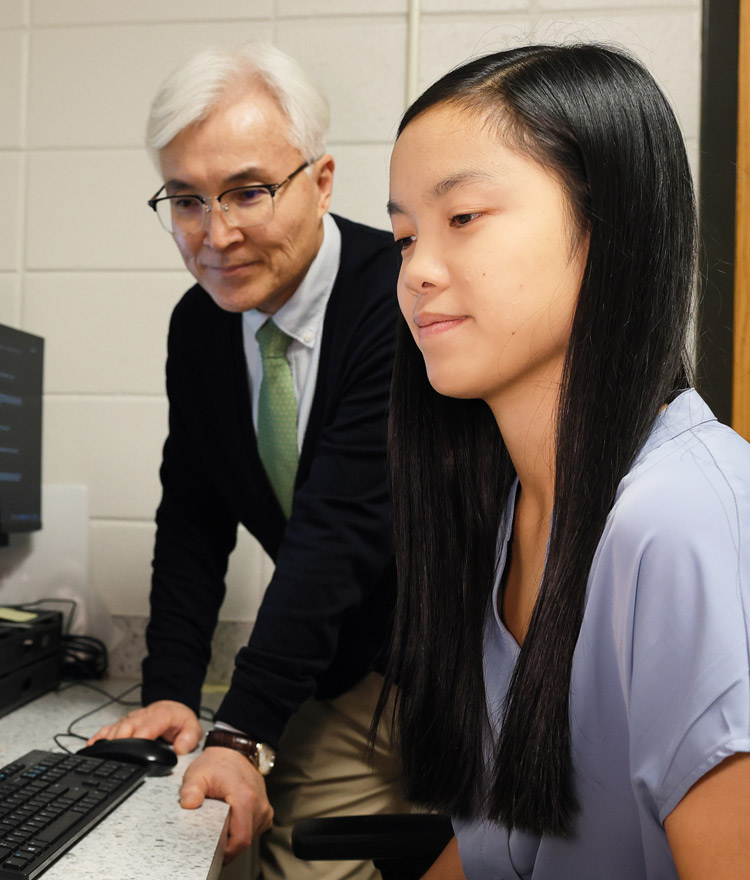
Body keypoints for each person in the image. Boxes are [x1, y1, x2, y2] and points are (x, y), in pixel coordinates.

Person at [380, 44, 750, 879]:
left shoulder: (683, 523)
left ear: (607, 223)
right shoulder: (507, 510)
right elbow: (494, 850)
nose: (417, 273)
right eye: (404, 238)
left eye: (462, 218)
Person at [89, 42, 408, 878]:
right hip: (344, 674)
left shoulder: (398, 294)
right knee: (252, 854)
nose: (215, 234)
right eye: (186, 199)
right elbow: (193, 517)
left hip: (466, 674)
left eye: (248, 192)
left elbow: (340, 530)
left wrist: (243, 725)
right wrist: (171, 689)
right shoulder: (199, 326)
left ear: (323, 180)